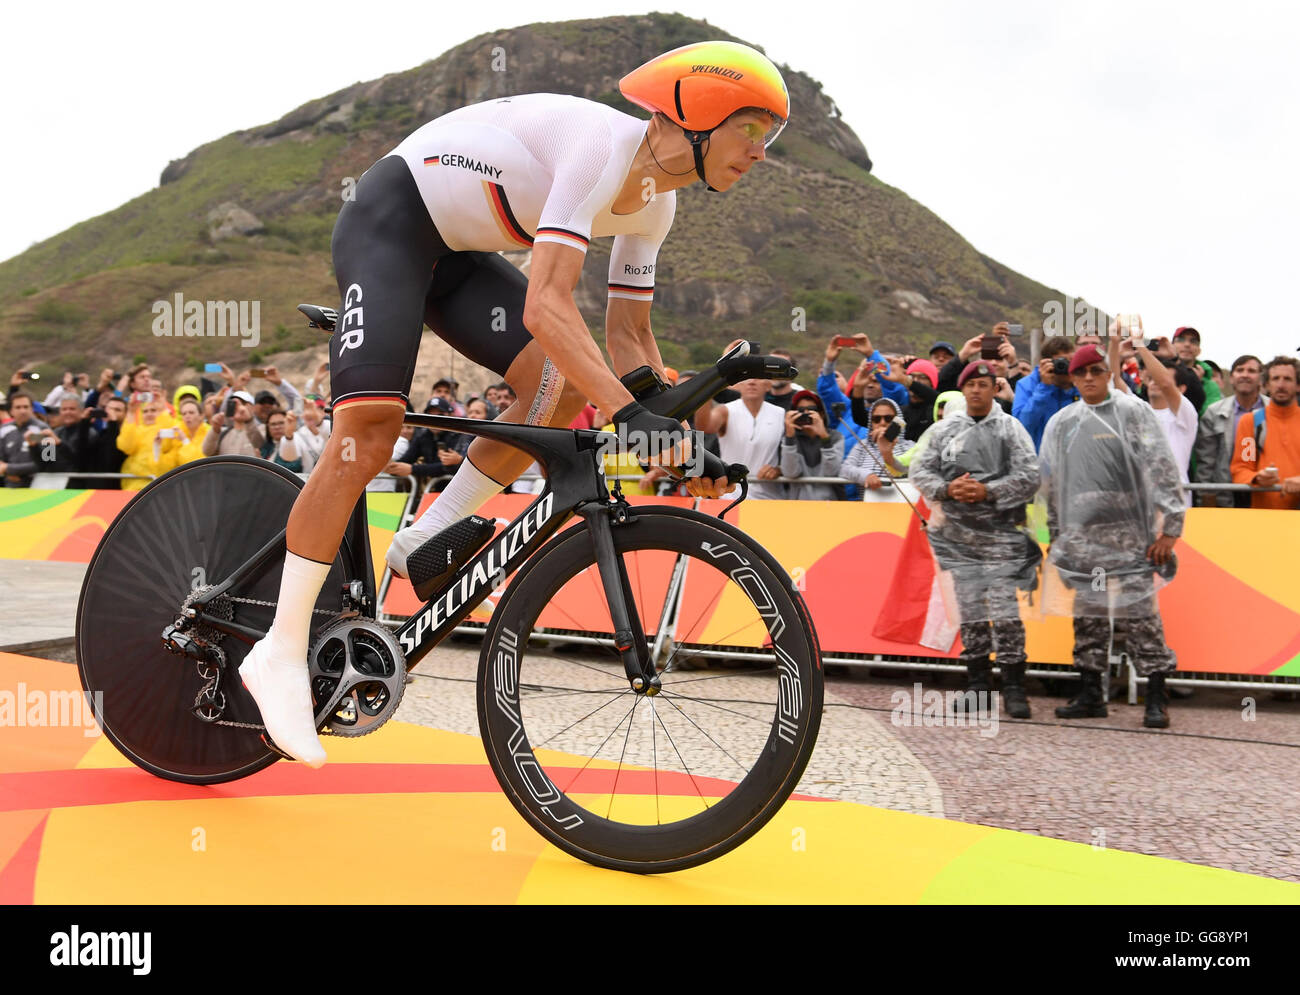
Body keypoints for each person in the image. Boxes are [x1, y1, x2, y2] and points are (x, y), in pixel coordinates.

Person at [240, 40, 789, 765]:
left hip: (460, 256)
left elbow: (631, 341)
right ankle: (275, 652)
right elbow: (547, 307)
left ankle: (422, 536)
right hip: (393, 223)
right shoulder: (602, 148)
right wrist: (630, 418)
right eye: (750, 130)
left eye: (769, 137)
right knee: (369, 432)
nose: (760, 151)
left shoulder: (659, 206)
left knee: (557, 389)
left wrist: (684, 435)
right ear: (693, 113)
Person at [1038, 344, 1184, 728]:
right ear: (1072, 378)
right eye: (1081, 372)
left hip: (1131, 538)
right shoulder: (1063, 422)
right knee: (1089, 615)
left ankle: (1156, 696)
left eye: (1097, 371)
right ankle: (1090, 694)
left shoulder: (1131, 412)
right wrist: (1055, 534)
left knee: (1140, 617)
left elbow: (1162, 467)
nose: (1089, 378)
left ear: (1109, 373)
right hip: (1083, 541)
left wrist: (1170, 528)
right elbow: (1051, 484)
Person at [908, 360, 1041, 717]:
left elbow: (1030, 476)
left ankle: (1014, 688)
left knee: (1005, 611)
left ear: (994, 389)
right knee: (970, 612)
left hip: (1001, 535)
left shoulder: (1010, 428)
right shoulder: (944, 429)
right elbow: (919, 469)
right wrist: (947, 488)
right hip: (959, 537)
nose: (977, 390)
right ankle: (977, 686)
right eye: (971, 384)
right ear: (963, 389)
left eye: (984, 384)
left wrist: (988, 491)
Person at [698, 377, 787, 499]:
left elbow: (791, 454)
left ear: (768, 385)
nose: (752, 382)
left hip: (768, 497)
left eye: (758, 378)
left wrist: (779, 469)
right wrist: (705, 391)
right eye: (747, 378)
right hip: (730, 496)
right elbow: (705, 427)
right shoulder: (725, 411)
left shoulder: (781, 414)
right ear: (738, 385)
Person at [1230, 356, 1300, 510]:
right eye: (1275, 379)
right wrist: (1257, 478)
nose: (1281, 385)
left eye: (1288, 379)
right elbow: (1241, 469)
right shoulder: (1252, 421)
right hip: (1262, 518)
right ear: (1267, 384)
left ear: (1298, 385)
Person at [1195, 355, 1264, 507]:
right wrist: (1205, 499)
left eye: (1251, 371)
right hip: (1225, 494)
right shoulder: (1214, 413)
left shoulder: (1274, 410)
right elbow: (1206, 462)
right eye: (1240, 370)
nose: (1245, 375)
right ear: (1231, 378)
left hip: (1266, 492)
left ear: (1260, 379)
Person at [1011, 335, 1078, 450]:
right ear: (1046, 363)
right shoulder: (1027, 385)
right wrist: (1044, 388)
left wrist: (1072, 387)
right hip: (1040, 457)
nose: (1067, 368)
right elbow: (1022, 426)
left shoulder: (1079, 381)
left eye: (1070, 362)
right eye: (1061, 363)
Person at [841, 397, 915, 498]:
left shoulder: (910, 446)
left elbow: (908, 471)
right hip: (868, 507)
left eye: (888, 419)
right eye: (876, 419)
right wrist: (866, 475)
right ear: (871, 423)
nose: (882, 423)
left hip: (901, 507)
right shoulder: (862, 445)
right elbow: (845, 469)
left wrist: (887, 452)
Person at [778, 390, 843, 500]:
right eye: (800, 410)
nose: (806, 414)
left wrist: (824, 436)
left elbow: (832, 472)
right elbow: (791, 473)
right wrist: (789, 437)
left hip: (829, 505)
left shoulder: (835, 436)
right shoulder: (789, 438)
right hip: (798, 506)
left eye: (812, 410)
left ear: (821, 414)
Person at [0, 393, 52, 487]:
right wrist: (7, 473)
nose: (22, 411)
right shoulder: (4, 430)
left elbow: (49, 461)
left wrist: (9, 469)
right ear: (11, 410)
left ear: (31, 409)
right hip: (9, 487)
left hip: (37, 487)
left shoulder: (43, 429)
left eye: (26, 407)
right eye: (18, 407)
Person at [1171, 327, 1221, 412]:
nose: (1187, 344)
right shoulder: (1157, 374)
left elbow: (1207, 417)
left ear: (1199, 350)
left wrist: (1196, 386)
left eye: (1193, 341)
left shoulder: (1210, 386)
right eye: (1181, 340)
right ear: (1171, 346)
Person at [201, 390, 265, 458]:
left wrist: (249, 421)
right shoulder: (223, 432)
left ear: (252, 407)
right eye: (233, 404)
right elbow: (207, 452)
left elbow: (261, 447)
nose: (238, 407)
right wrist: (215, 429)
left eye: (243, 403)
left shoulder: (263, 428)